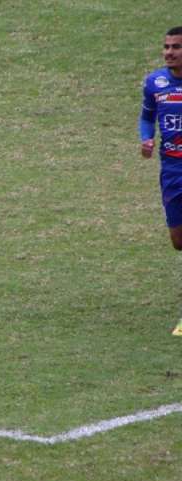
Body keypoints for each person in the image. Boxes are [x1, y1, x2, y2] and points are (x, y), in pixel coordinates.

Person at [140, 26, 182, 336]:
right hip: (171, 171)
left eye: (176, 47)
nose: (169, 52)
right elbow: (147, 116)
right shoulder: (155, 82)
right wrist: (146, 138)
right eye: (166, 46)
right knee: (179, 242)